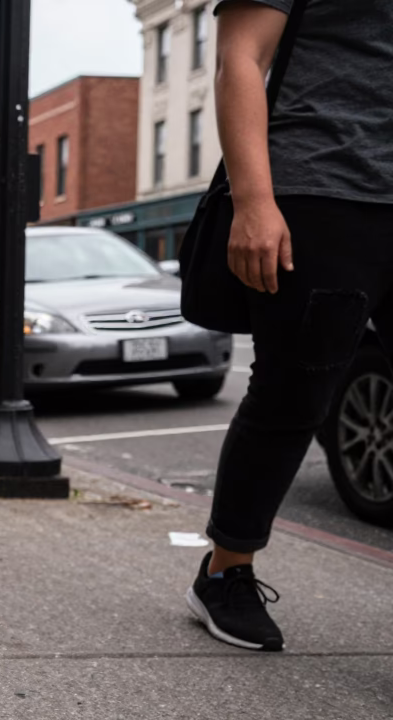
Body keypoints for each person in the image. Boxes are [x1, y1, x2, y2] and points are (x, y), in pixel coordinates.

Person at [186, 0, 393, 652]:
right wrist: (253, 200)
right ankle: (226, 571)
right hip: (323, 189)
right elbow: (240, 56)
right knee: (292, 393)